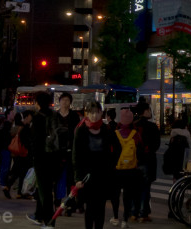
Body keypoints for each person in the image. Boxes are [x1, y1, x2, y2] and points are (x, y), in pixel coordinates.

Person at [73, 101, 121, 229]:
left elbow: (118, 147)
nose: (94, 115)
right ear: (87, 114)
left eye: (97, 112)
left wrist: (111, 164)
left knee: (100, 207)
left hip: (103, 174)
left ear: (101, 113)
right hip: (87, 175)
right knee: (89, 207)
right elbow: (76, 155)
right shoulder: (81, 130)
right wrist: (78, 178)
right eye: (91, 113)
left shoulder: (106, 129)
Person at [109, 108, 146, 228]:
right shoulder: (136, 135)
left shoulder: (115, 134)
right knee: (127, 196)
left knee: (115, 195)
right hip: (131, 170)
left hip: (116, 170)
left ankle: (115, 217)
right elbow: (141, 153)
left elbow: (110, 153)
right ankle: (125, 219)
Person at [29, 91, 57, 227]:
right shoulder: (54, 115)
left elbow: (35, 140)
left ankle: (49, 220)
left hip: (41, 157)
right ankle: (39, 215)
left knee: (44, 191)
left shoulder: (37, 118)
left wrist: (33, 157)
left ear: (38, 103)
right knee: (46, 188)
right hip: (54, 157)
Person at [53, 92, 82, 206]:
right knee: (57, 178)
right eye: (63, 100)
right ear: (59, 101)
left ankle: (70, 204)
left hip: (70, 150)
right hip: (57, 151)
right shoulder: (55, 116)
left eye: (67, 100)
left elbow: (77, 132)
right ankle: (57, 202)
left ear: (70, 103)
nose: (65, 102)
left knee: (70, 178)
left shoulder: (74, 116)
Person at [133, 102, 159, 222]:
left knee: (135, 187)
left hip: (135, 160)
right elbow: (156, 145)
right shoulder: (152, 127)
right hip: (147, 160)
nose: (150, 112)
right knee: (145, 187)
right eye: (149, 110)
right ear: (145, 111)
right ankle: (143, 214)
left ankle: (134, 212)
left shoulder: (133, 126)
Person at [5, 110, 33, 199]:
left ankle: (9, 187)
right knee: (22, 173)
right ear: (27, 117)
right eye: (30, 116)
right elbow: (26, 141)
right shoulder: (25, 127)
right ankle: (19, 192)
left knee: (18, 172)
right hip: (23, 153)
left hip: (18, 153)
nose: (31, 118)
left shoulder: (18, 127)